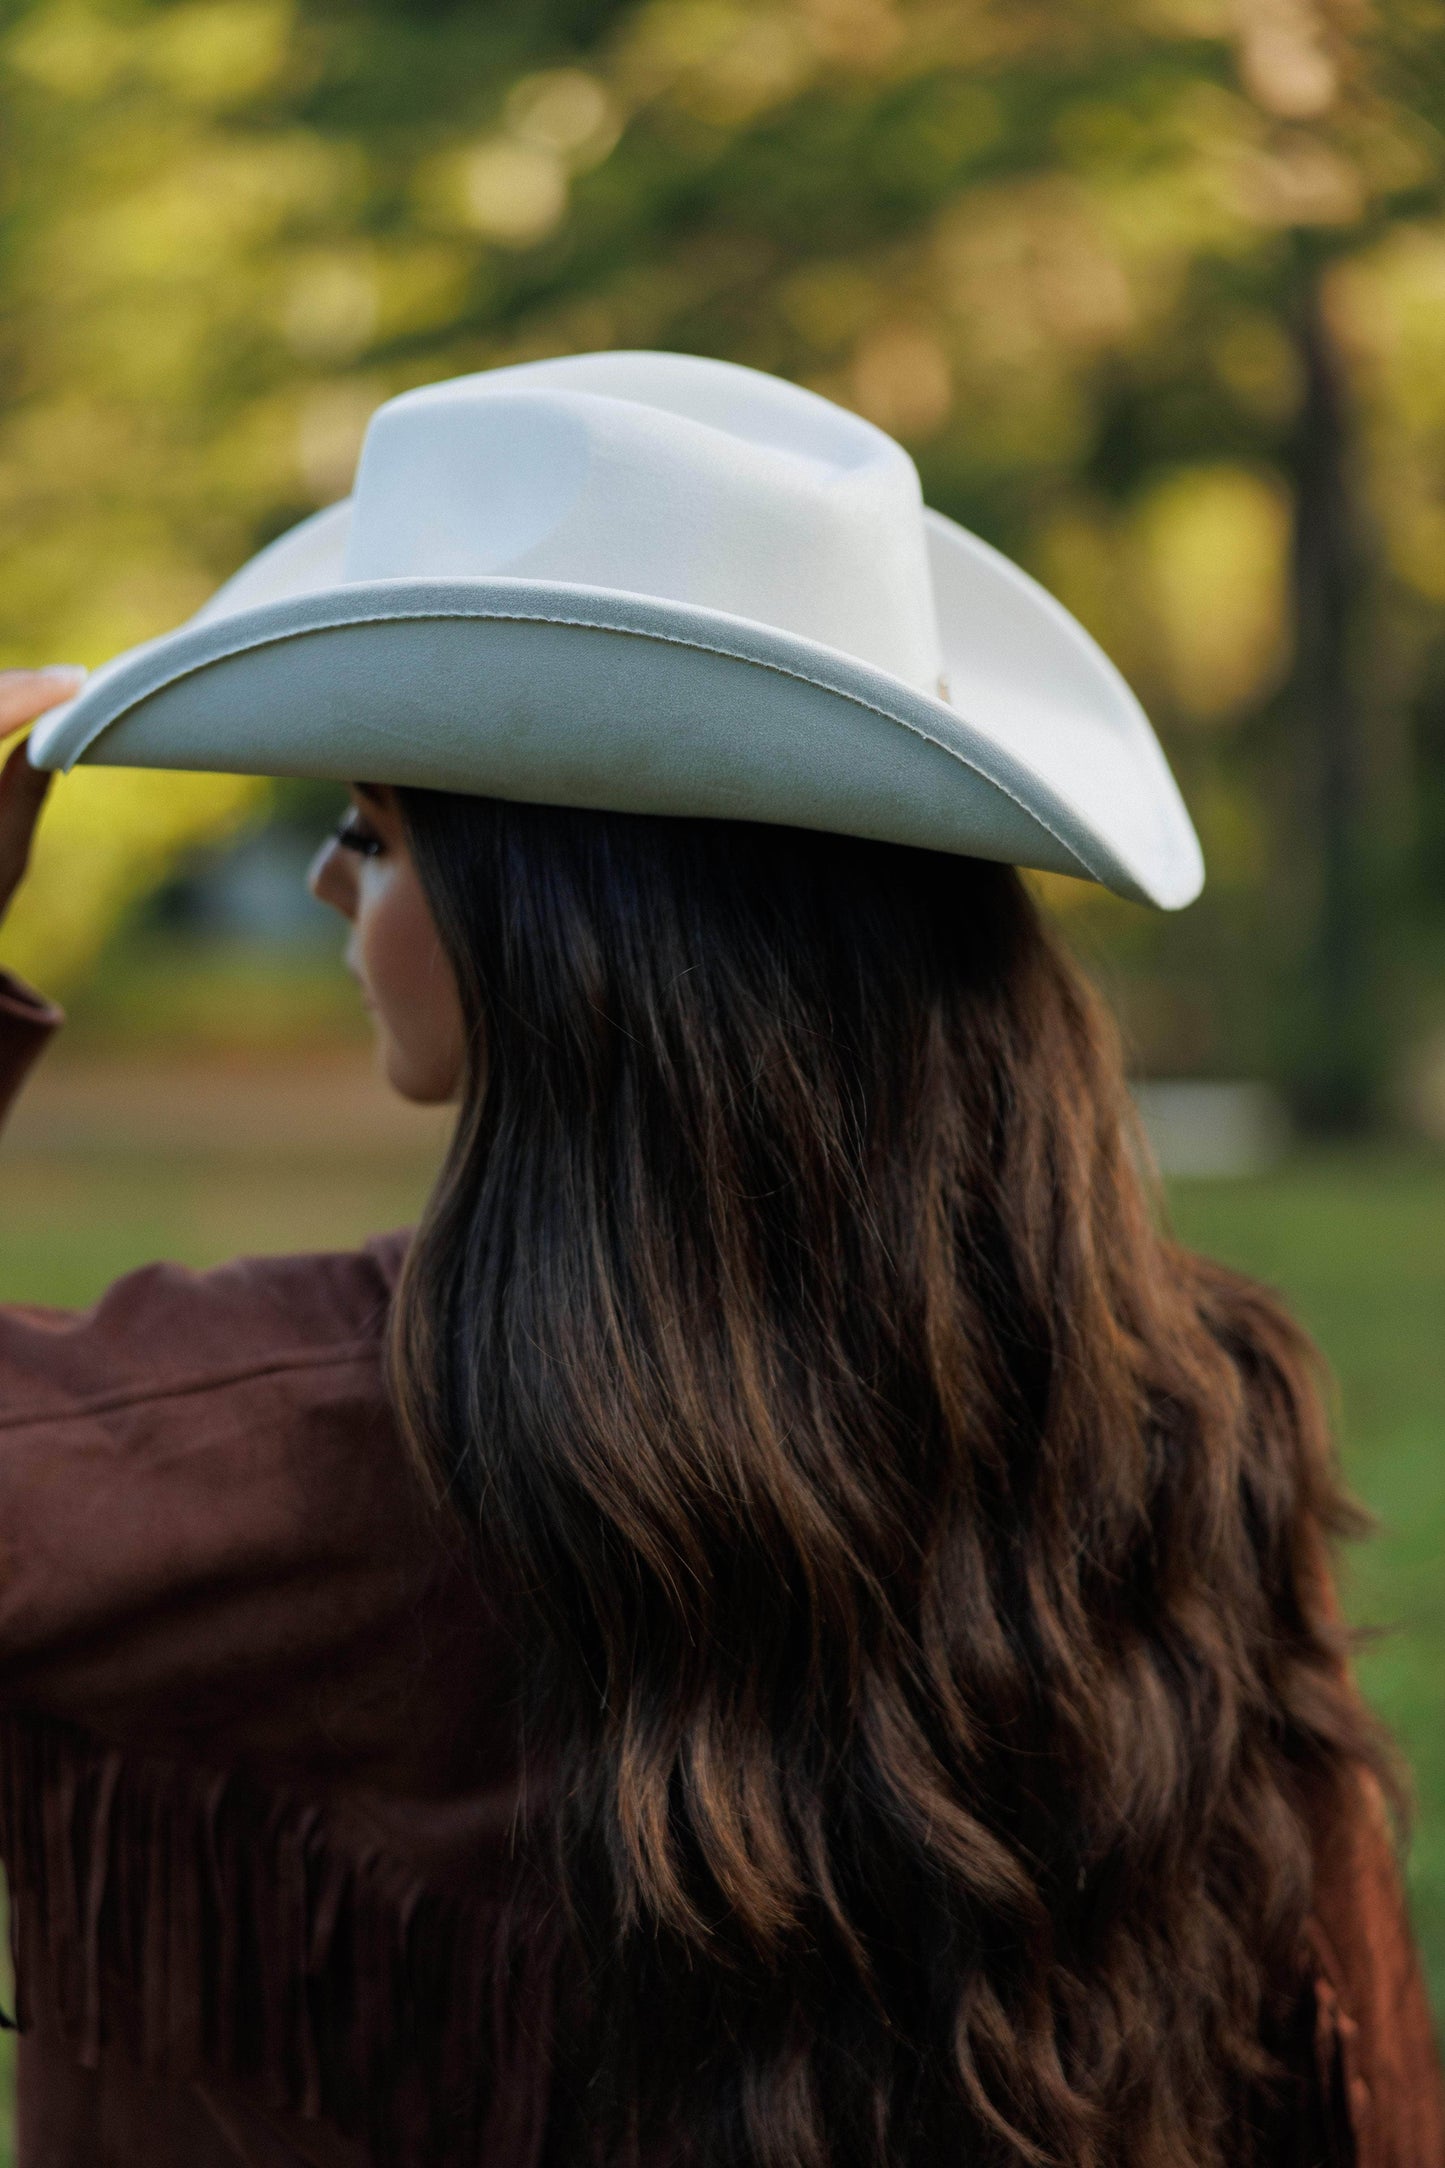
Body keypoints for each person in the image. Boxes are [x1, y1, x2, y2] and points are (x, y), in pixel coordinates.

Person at [0, 352, 1440, 2168]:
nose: (322, 884)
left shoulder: (281, 1447)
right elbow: (1349, 2084)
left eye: (372, 829)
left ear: (560, 928)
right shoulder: (1177, 1407)